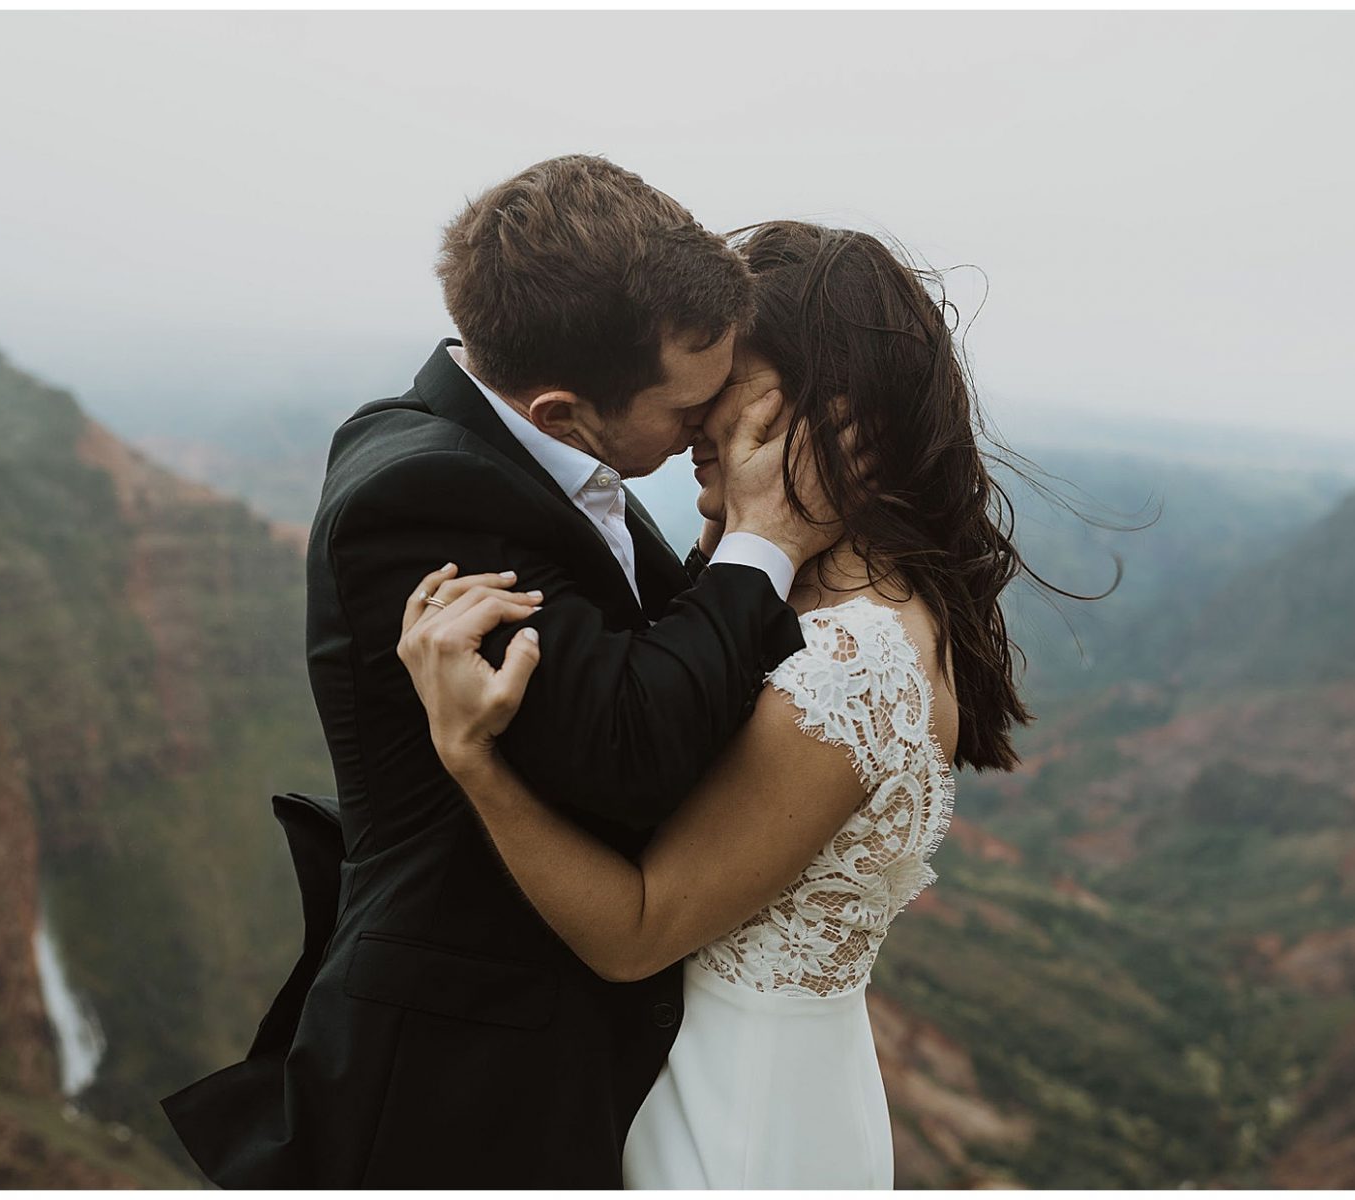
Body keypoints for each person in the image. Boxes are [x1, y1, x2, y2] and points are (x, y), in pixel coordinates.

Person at [159, 159, 844, 1188]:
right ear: (563, 409)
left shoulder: (501, 445)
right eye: (686, 406)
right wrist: (764, 540)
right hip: (463, 1075)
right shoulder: (424, 495)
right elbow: (630, 749)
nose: (704, 427)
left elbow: (648, 641)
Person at [395, 219, 1035, 1188]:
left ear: (827, 417)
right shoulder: (815, 599)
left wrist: (473, 761)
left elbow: (635, 929)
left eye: (732, 401)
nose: (693, 431)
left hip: (741, 1121)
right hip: (742, 1086)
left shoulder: (849, 658)